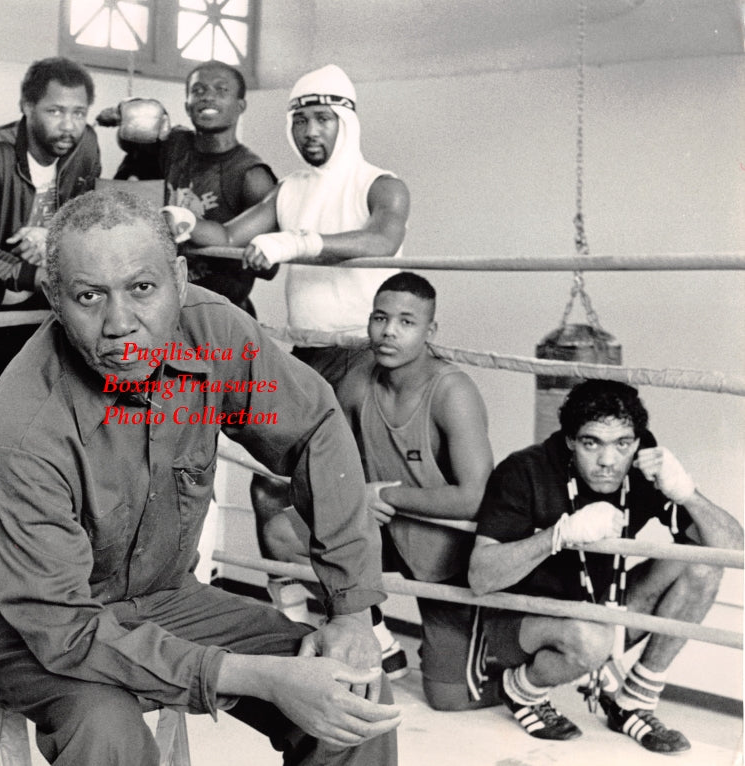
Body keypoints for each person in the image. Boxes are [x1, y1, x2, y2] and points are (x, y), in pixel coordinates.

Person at [0, 190, 401, 766]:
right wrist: (259, 677)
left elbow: (315, 430)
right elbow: (62, 629)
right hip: (31, 626)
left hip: (163, 598)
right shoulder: (26, 423)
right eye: (89, 296)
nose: (120, 324)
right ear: (54, 300)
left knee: (353, 693)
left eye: (143, 288)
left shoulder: (213, 333)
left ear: (180, 279)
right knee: (106, 730)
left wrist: (349, 612)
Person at [169, 63, 412, 675]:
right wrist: (185, 225)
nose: (311, 131)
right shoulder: (291, 189)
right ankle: (303, 625)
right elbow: (226, 232)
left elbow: (383, 239)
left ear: (348, 121)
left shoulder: (382, 184)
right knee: (269, 487)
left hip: (365, 354)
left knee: (337, 489)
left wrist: (301, 243)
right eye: (300, 118)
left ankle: (370, 629)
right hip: (307, 355)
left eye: (324, 118)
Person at [468, 379, 742, 753]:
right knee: (592, 638)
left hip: (600, 609)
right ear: (569, 440)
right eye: (591, 442)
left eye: (622, 444)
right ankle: (521, 690)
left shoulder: (643, 468)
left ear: (636, 441)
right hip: (521, 623)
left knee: (702, 564)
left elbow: (734, 550)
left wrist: (687, 493)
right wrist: (557, 535)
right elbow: (480, 577)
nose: (608, 461)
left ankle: (633, 703)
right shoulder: (525, 470)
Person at [0, 56, 101, 558]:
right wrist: (39, 271)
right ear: (26, 106)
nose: (69, 125)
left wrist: (51, 238)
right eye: (55, 111)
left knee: (36, 466)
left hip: (43, 329)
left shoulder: (87, 145)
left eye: (79, 112)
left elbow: (87, 225)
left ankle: (13, 585)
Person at [327, 272, 499, 711]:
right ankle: (379, 637)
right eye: (380, 318)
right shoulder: (357, 382)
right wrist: (356, 498)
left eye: (406, 322)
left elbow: (476, 497)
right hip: (384, 535)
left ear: (430, 332)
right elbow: (336, 465)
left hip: (445, 554)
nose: (388, 331)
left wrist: (382, 496)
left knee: (447, 699)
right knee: (289, 531)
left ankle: (513, 662)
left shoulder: (452, 392)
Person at [98, 60, 278, 316]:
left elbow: (270, 268)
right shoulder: (175, 144)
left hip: (218, 312)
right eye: (199, 90)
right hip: (166, 304)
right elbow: (134, 136)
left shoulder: (252, 175)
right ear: (187, 105)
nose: (208, 97)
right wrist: (123, 111)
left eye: (221, 90)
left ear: (240, 106)